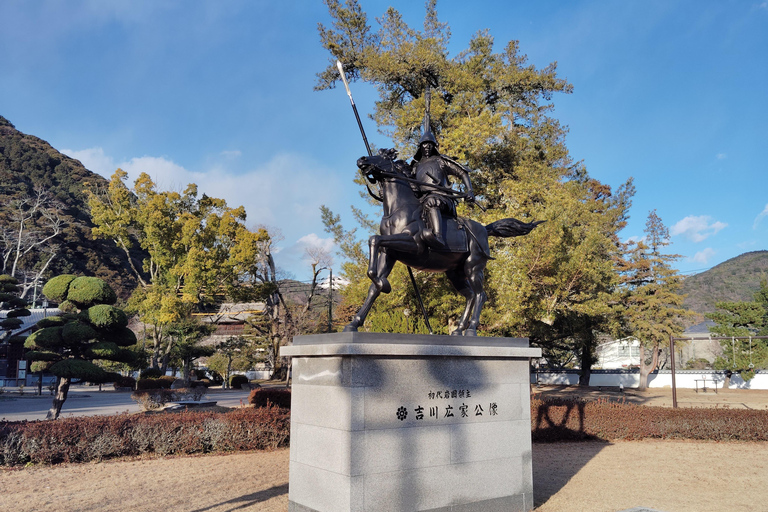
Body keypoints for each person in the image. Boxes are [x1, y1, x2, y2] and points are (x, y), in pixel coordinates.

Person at [410, 126, 475, 250]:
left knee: (432, 202)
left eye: (430, 144)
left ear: (434, 146)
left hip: (442, 198)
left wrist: (470, 191)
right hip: (421, 200)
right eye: (424, 144)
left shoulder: (441, 160)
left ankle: (438, 237)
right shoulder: (415, 166)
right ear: (420, 147)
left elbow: (462, 172)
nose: (427, 147)